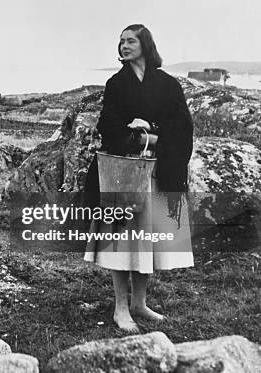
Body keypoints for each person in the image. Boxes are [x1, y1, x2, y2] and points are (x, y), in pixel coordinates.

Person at [84, 24, 194, 333]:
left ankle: (139, 302)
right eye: (120, 41)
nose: (123, 45)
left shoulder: (169, 85)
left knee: (145, 239)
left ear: (145, 44)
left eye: (130, 40)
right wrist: (138, 138)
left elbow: (183, 126)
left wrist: (155, 137)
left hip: (158, 169)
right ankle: (121, 306)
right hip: (123, 169)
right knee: (121, 237)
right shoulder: (116, 84)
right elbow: (109, 125)